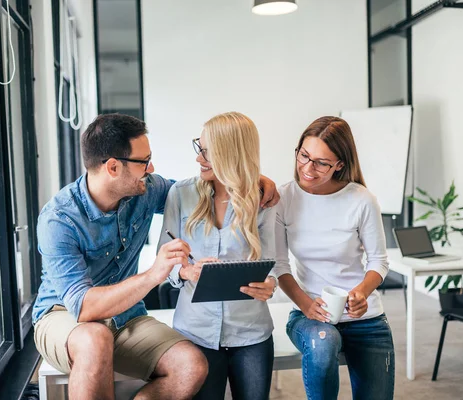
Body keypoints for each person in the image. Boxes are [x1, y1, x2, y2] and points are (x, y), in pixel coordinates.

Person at [32, 113, 279, 400]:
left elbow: (204, 188)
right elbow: (83, 308)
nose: (152, 168)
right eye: (143, 161)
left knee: (191, 365)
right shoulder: (59, 219)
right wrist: (155, 273)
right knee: (94, 338)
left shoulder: (145, 189)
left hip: (126, 318)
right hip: (63, 315)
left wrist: (251, 177)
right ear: (113, 167)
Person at [158, 112, 280, 400]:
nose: (199, 158)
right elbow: (165, 261)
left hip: (251, 332)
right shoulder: (181, 193)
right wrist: (185, 272)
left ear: (230, 154)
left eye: (206, 152)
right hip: (195, 331)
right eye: (198, 148)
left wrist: (270, 284)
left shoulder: (263, 199)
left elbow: (273, 262)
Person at [275, 116, 395, 400]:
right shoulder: (283, 198)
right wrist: (306, 306)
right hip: (310, 315)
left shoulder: (362, 200)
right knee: (323, 341)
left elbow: (379, 261)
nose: (307, 168)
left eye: (321, 162)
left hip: (365, 319)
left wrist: (361, 292)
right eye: (303, 155)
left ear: (340, 164)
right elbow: (280, 266)